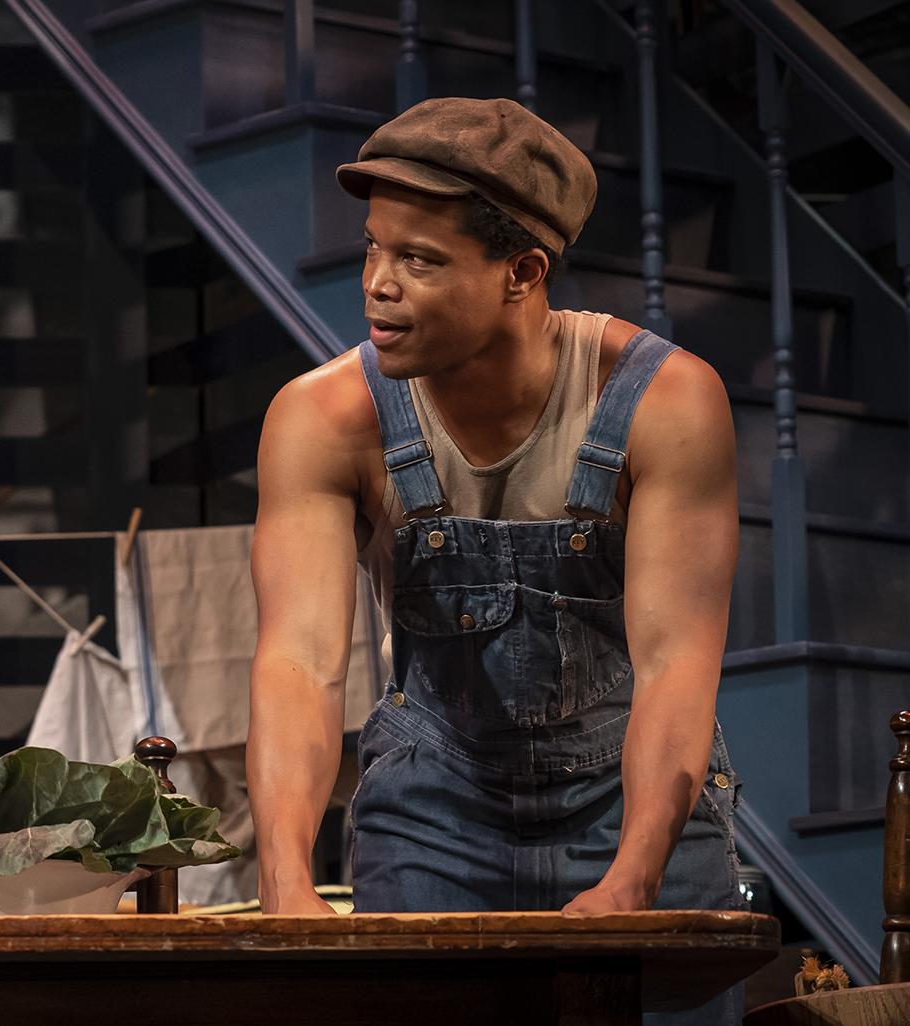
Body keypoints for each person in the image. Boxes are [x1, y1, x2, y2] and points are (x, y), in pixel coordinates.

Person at [248, 98, 743, 1021]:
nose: (377, 286)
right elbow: (299, 663)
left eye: (419, 260)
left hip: (628, 798)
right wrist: (284, 880)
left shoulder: (663, 403)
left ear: (522, 272)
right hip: (437, 805)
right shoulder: (324, 418)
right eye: (372, 248)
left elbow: (678, 662)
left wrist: (634, 875)